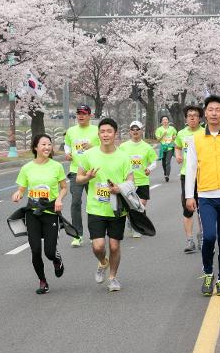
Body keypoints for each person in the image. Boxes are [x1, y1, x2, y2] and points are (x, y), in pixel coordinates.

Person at [185, 95, 220, 296]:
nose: (214, 113)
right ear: (204, 113)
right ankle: (208, 273)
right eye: (210, 110)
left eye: (218, 110)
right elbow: (190, 168)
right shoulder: (196, 139)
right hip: (206, 196)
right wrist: (190, 196)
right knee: (209, 237)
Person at [76, 118, 133, 292]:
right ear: (98, 134)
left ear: (115, 133)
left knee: (114, 245)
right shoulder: (89, 155)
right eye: (102, 131)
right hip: (95, 208)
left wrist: (119, 188)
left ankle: (113, 278)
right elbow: (78, 179)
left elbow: (131, 182)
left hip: (117, 208)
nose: (105, 134)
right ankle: (102, 262)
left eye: (109, 131)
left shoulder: (123, 157)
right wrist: (87, 178)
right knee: (98, 246)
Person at [12, 134, 67, 295]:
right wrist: (18, 194)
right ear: (35, 147)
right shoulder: (27, 168)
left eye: (49, 144)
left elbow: (64, 187)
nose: (47, 147)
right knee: (35, 250)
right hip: (33, 213)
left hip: (50, 212)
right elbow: (22, 189)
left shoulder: (56, 166)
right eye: (43, 144)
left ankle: (57, 261)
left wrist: (59, 199)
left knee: (49, 252)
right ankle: (42, 281)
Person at [64, 104, 100, 247]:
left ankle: (95, 233)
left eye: (84, 113)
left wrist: (93, 147)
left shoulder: (97, 131)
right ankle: (77, 235)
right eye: (78, 113)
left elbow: (104, 147)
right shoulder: (71, 131)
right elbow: (67, 144)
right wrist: (67, 153)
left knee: (94, 203)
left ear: (90, 115)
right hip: (75, 171)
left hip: (93, 172)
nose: (81, 116)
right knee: (75, 202)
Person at [119, 120, 157, 238]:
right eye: (133, 129)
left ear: (141, 131)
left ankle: (136, 224)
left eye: (137, 129)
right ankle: (135, 226)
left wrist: (149, 168)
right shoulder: (123, 147)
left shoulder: (147, 147)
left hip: (142, 180)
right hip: (128, 181)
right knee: (130, 205)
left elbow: (154, 162)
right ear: (130, 132)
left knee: (141, 205)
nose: (135, 131)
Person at [175, 106, 204, 253]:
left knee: (203, 209)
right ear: (186, 118)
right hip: (186, 175)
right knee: (188, 208)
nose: (192, 118)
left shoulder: (205, 133)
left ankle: (202, 236)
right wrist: (178, 155)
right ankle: (189, 240)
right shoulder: (181, 133)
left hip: (203, 175)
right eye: (189, 115)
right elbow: (177, 146)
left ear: (200, 118)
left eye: (195, 115)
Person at [155, 116, 177, 182]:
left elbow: (175, 135)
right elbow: (158, 140)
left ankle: (167, 175)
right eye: (163, 120)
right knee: (163, 162)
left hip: (170, 146)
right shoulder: (159, 129)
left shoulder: (172, 128)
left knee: (168, 162)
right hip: (163, 147)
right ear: (161, 122)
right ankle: (165, 173)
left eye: (166, 119)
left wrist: (174, 137)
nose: (165, 121)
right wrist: (163, 135)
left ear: (168, 121)